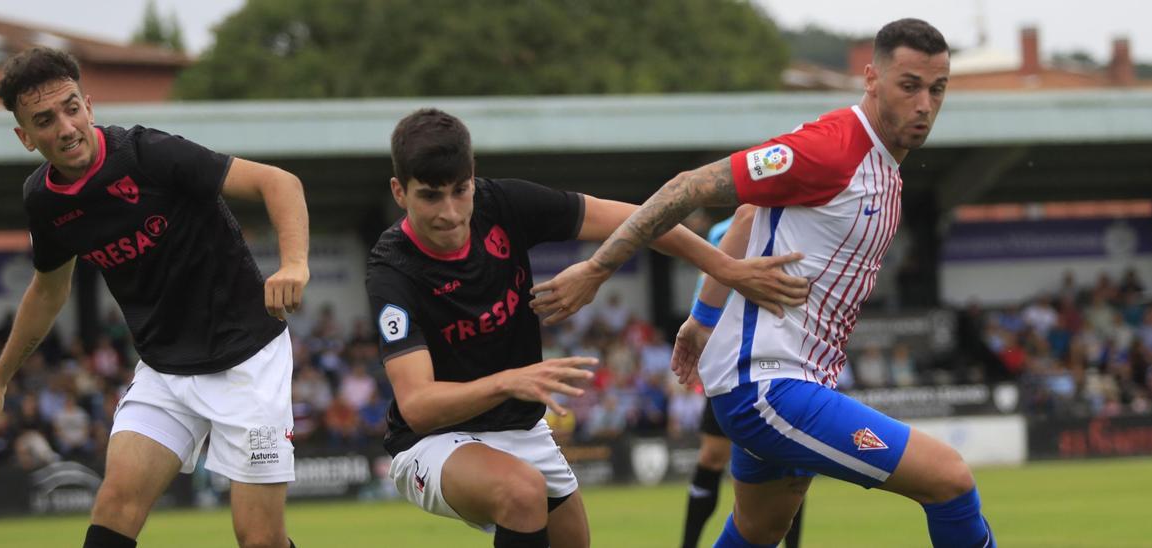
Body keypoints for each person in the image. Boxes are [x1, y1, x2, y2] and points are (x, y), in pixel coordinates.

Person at [531, 19, 996, 548]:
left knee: (758, 531)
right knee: (950, 479)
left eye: (937, 90)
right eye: (908, 85)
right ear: (871, 78)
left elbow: (752, 213)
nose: (924, 105)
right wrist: (598, 267)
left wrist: (703, 320)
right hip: (769, 386)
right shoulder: (831, 148)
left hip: (778, 381)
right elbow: (689, 187)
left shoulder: (882, 166)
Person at [365, 108, 808, 548]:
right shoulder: (393, 269)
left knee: (572, 538)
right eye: (429, 196)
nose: (450, 213)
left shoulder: (502, 204)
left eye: (459, 191)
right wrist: (508, 382)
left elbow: (640, 221)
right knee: (521, 493)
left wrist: (727, 270)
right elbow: (418, 405)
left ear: (473, 175)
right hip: (432, 441)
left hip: (521, 429)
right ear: (399, 192)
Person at [0, 47, 310, 548]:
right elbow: (47, 291)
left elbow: (278, 182)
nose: (64, 127)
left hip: (247, 361)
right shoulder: (43, 201)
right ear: (25, 137)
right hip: (165, 373)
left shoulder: (149, 153)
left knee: (259, 539)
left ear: (89, 105)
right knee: (114, 511)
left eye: (70, 108)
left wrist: (295, 263)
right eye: (44, 120)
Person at [680, 209, 805, 548]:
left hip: (782, 353)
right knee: (713, 456)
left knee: (791, 457)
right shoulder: (731, 228)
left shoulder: (800, 222)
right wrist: (701, 328)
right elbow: (709, 287)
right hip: (734, 357)